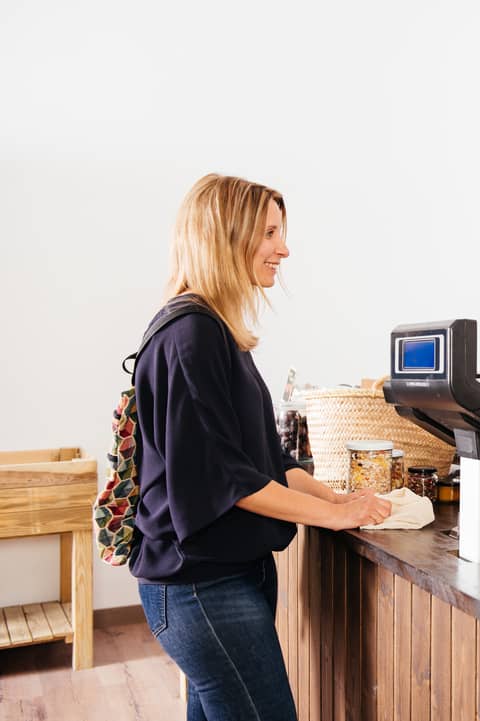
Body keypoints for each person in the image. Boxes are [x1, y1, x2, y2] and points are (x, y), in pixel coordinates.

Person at [131, 173, 392, 721]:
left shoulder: (216, 331)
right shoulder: (192, 335)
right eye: (270, 233)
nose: (284, 249)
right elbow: (227, 481)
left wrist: (337, 500)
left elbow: (266, 463)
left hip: (221, 580)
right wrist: (333, 516)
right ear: (225, 237)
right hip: (201, 588)